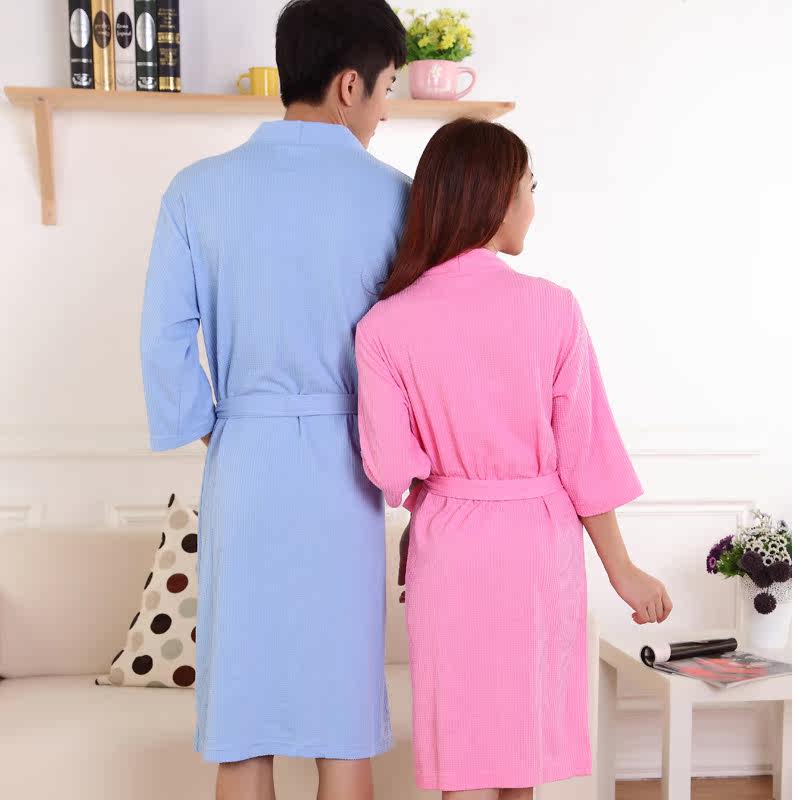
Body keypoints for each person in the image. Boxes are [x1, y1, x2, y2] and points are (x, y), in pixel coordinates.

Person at [354, 117, 673, 800]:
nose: (533, 205)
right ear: (496, 198)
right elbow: (585, 457)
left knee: (461, 755)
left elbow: (390, 469)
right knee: (519, 757)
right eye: (530, 187)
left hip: (448, 550)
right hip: (537, 546)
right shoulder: (552, 309)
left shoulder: (383, 324)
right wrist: (622, 570)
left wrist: (445, 482)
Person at [139, 2, 409, 798]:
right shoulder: (399, 197)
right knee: (343, 731)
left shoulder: (195, 191)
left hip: (245, 466)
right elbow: (418, 348)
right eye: (388, 89)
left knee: (244, 733)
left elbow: (163, 341)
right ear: (350, 85)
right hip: (348, 472)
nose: (386, 111)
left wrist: (224, 428)